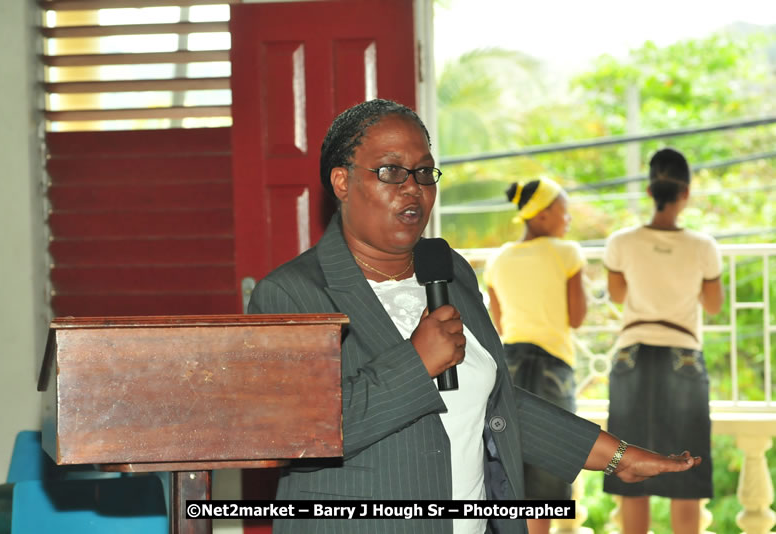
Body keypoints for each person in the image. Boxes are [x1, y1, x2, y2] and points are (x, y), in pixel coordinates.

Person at [248, 99, 702, 534]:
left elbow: (498, 404)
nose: (413, 187)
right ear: (342, 182)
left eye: (424, 172)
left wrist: (619, 456)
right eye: (391, 171)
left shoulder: (450, 272)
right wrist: (416, 363)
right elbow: (293, 436)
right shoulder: (293, 293)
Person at [602, 147, 723, 534]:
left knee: (631, 471)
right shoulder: (703, 246)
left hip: (632, 356)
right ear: (685, 193)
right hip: (683, 354)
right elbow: (715, 305)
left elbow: (619, 295)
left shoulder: (621, 242)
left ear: (650, 191)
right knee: (686, 477)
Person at [483, 177, 587, 534]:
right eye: (564, 209)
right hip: (552, 366)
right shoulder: (567, 252)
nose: (568, 217)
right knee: (546, 466)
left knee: (511, 464)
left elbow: (498, 322)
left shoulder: (498, 259)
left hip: (507, 367)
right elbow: (577, 317)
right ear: (542, 215)